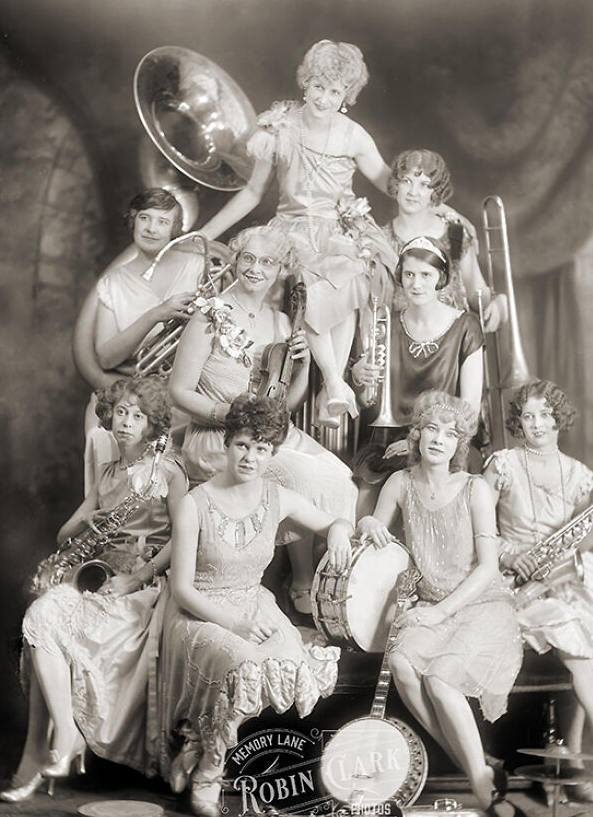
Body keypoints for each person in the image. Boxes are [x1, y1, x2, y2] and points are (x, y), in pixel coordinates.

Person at [156, 395, 353, 817]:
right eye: (243, 444)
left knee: (285, 664)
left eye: (262, 448)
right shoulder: (194, 504)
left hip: (254, 604)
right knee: (246, 665)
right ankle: (211, 770)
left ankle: (197, 740)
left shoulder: (278, 497)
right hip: (199, 611)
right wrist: (234, 623)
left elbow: (333, 521)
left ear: (272, 454)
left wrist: (339, 530)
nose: (250, 456)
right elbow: (182, 587)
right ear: (228, 445)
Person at [0, 377, 187, 802]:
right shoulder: (107, 473)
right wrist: (88, 520)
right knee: (42, 616)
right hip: (102, 579)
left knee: (42, 627)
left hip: (144, 587)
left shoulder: (168, 471)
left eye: (138, 416)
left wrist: (139, 577)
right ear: (109, 414)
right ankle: (65, 735)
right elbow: (64, 531)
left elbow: (185, 538)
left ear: (152, 425)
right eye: (120, 411)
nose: (126, 422)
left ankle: (40, 754)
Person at [198, 40, 398, 426]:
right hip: (291, 229)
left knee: (350, 273)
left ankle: (332, 389)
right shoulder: (279, 127)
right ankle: (336, 386)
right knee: (311, 278)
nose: (324, 97)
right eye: (318, 86)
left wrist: (434, 201)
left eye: (335, 90)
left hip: (339, 227)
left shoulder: (354, 135)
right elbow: (254, 192)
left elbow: (391, 182)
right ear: (305, 84)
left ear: (347, 96)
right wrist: (205, 233)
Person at [357, 391, 527, 817]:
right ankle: (478, 765)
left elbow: (489, 568)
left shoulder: (474, 489)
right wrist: (369, 523)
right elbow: (372, 524)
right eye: (431, 428)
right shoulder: (400, 484)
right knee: (399, 661)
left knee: (440, 678)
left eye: (451, 434)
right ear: (417, 434)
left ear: (460, 445)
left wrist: (437, 614)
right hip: (432, 605)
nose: (439, 439)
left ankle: (482, 789)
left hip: (480, 604)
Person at [169, 224, 357, 614]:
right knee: (303, 478)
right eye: (248, 258)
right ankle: (301, 584)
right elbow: (179, 391)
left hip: (264, 436)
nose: (256, 269)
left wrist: (303, 366)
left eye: (267, 261)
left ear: (280, 269)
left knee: (340, 477)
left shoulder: (280, 322)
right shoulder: (210, 317)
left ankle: (334, 585)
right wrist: (229, 415)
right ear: (236, 261)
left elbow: (284, 404)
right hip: (218, 438)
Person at [483, 380, 593, 801]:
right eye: (528, 416)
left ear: (558, 418)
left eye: (546, 414)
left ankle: (573, 756)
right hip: (513, 581)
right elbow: (478, 528)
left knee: (592, 629)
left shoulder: (579, 474)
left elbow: (582, 543)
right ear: (518, 422)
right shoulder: (503, 464)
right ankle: (589, 751)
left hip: (561, 577)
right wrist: (511, 556)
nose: (537, 424)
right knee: (573, 629)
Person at [73, 188, 202, 491]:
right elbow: (106, 357)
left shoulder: (196, 265)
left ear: (175, 228)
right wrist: (156, 314)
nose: (151, 228)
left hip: (184, 397)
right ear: (132, 222)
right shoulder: (113, 282)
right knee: (105, 436)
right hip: (134, 397)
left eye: (162, 221)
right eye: (144, 218)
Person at [352, 236, 483, 516]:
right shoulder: (385, 325)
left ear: (441, 278)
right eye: (409, 274)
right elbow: (367, 403)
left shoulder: (466, 327)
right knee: (362, 506)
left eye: (426, 275)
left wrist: (417, 441)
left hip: (446, 438)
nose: (416, 283)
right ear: (400, 276)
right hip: (387, 439)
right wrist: (360, 378)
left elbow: (470, 407)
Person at [382, 149, 507, 331]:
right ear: (396, 185)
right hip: (403, 340)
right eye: (407, 181)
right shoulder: (381, 239)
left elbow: (475, 292)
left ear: (435, 192)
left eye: (424, 184)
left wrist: (498, 303)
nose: (413, 192)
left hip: (452, 340)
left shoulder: (455, 233)